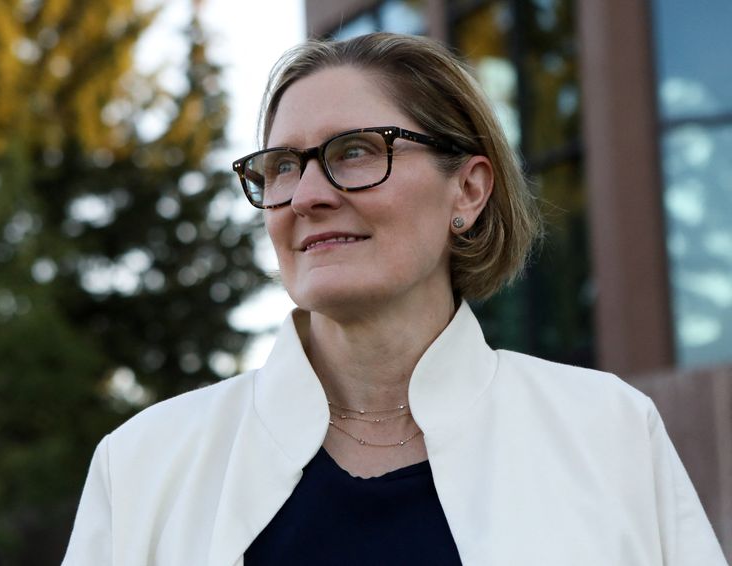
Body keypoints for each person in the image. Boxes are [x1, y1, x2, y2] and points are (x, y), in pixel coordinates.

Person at [62, 32, 728, 565]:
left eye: (355, 151)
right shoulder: (145, 465)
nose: (306, 196)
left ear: (468, 190)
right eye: (283, 166)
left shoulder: (609, 433)